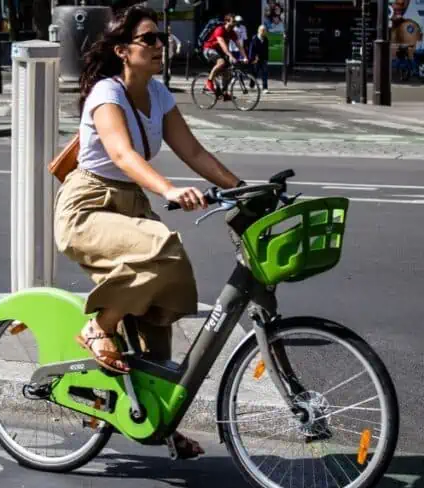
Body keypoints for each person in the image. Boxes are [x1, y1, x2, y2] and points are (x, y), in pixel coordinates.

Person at [59, 5, 243, 459]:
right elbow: (121, 154)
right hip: (89, 205)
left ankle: (158, 416)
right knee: (161, 245)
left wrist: (243, 190)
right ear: (123, 51)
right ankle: (99, 327)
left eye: (161, 38)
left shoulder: (158, 94)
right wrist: (169, 190)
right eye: (149, 39)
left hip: (131, 204)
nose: (161, 45)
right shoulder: (107, 92)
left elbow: (193, 151)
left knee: (165, 299)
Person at [202, 14, 247, 96]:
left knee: (228, 72)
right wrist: (231, 56)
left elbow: (239, 46)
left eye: (235, 22)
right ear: (227, 22)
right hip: (209, 49)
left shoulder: (232, 32)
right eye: (233, 22)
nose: (235, 24)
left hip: (220, 51)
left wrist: (245, 57)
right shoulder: (220, 30)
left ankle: (224, 93)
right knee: (221, 62)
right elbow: (223, 46)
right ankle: (209, 82)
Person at [249, 25, 270, 92]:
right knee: (255, 73)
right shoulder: (254, 38)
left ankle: (265, 88)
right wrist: (253, 58)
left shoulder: (266, 39)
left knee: (265, 73)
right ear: (259, 30)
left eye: (264, 30)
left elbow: (266, 50)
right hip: (256, 59)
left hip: (263, 59)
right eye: (262, 30)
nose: (263, 32)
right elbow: (251, 49)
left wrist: (266, 59)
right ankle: (252, 86)